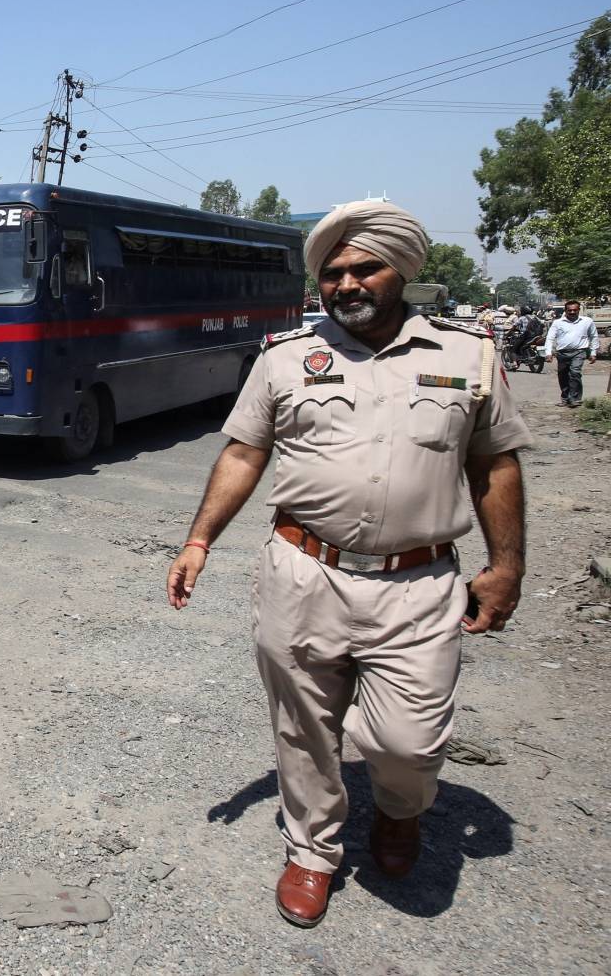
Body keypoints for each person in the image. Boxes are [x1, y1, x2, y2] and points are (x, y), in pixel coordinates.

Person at [165, 201, 532, 928]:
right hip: (303, 573)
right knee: (302, 725)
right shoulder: (286, 357)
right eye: (332, 273)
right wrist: (198, 540)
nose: (346, 283)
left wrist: (506, 567)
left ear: (403, 273)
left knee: (407, 740)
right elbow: (243, 453)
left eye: (365, 267)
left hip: (418, 583)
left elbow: (496, 464)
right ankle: (313, 850)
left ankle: (400, 811)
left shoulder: (467, 356)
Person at [542, 300, 598, 407]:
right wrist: (548, 353)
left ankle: (575, 398)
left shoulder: (587, 321)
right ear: (565, 311)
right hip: (562, 353)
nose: (572, 312)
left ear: (579, 310)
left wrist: (593, 353)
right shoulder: (558, 323)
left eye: (575, 310)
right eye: (570, 310)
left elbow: (593, 337)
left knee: (575, 373)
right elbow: (550, 338)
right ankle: (565, 398)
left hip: (579, 352)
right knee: (563, 375)